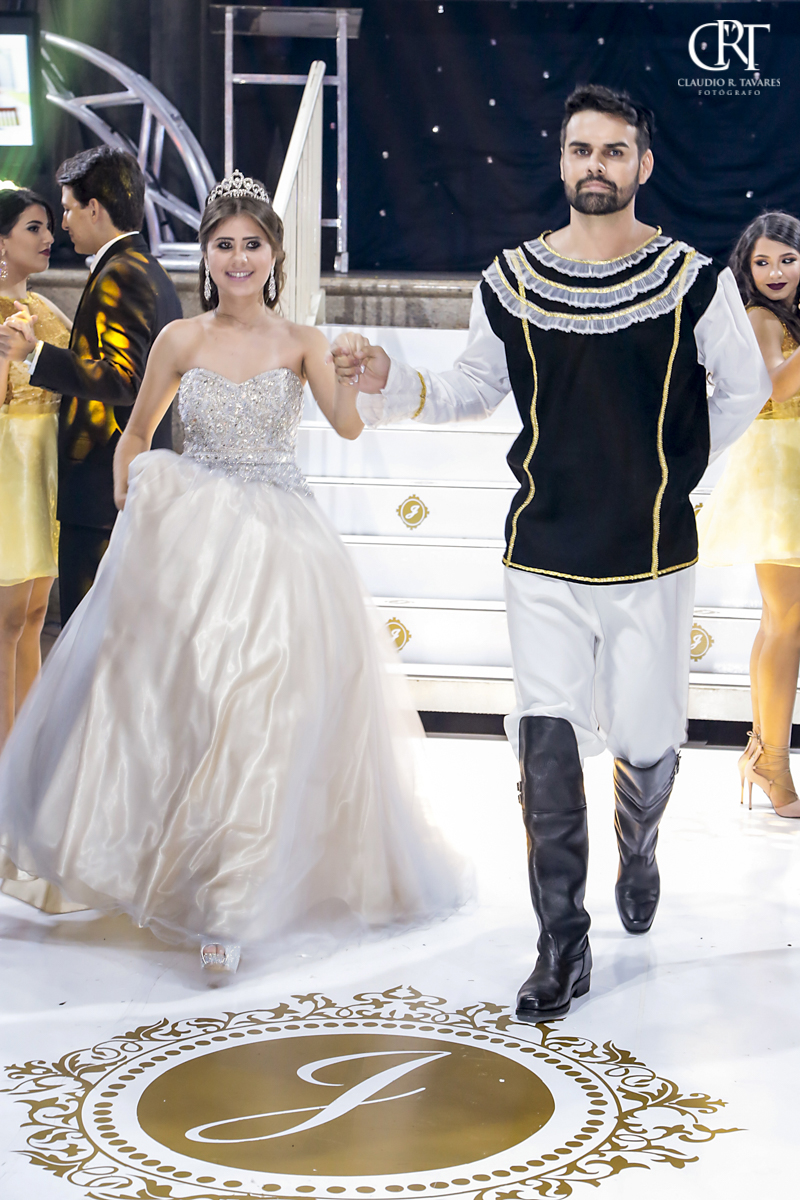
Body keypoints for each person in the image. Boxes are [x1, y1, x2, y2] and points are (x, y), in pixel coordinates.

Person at [330, 85, 771, 1022]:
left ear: (642, 164)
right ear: (561, 161)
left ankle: (639, 846)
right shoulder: (513, 280)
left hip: (651, 550)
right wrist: (391, 381)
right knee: (545, 733)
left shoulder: (694, 280)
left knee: (647, 736)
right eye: (580, 150)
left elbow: (742, 389)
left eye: (613, 151)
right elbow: (469, 388)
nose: (594, 166)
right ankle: (561, 942)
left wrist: (672, 469)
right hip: (540, 550)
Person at [0, 172, 466, 973]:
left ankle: (234, 900)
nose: (239, 258)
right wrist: (132, 491)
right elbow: (136, 431)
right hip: (194, 536)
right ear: (207, 255)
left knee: (264, 709)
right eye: (224, 246)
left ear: (274, 254)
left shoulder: (304, 342)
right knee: (185, 708)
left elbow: (347, 428)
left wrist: (358, 375)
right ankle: (181, 876)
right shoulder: (181, 339)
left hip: (282, 544)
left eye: (252, 245)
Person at [0, 146, 182, 623]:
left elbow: (123, 378)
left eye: (67, 210)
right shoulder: (145, 268)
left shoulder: (121, 274)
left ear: (95, 209)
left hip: (105, 489)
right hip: (114, 485)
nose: (62, 226)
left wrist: (35, 355)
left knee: (92, 638)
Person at [698, 213, 800, 817]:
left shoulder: (787, 317)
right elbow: (775, 388)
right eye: (763, 262)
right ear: (748, 267)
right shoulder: (761, 317)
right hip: (779, 473)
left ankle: (764, 753)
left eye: (786, 260)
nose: (775, 272)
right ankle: (771, 761)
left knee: (780, 620)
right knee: (786, 621)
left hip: (789, 467)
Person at [0, 188, 70, 751]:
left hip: (45, 470)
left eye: (48, 226)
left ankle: (27, 753)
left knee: (35, 613)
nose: (48, 238)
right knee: (6, 622)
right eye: (33, 228)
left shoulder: (45, 310)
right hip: (9, 469)